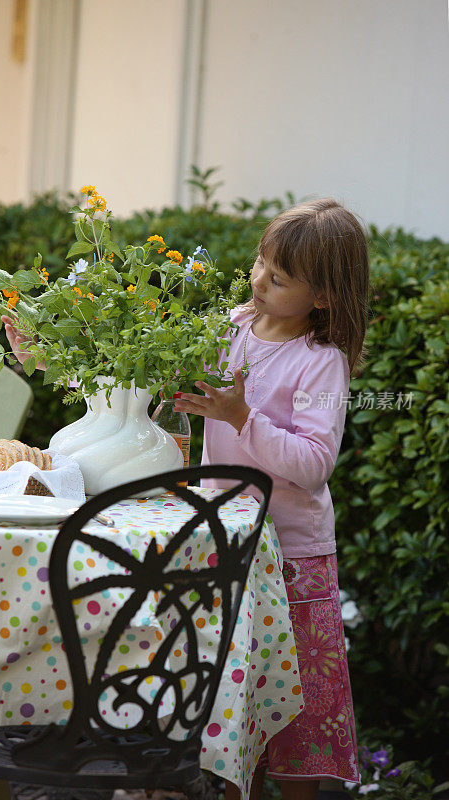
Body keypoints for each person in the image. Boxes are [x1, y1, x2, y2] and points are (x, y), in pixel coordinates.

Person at [173, 197, 370, 800]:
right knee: (238, 700)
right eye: (261, 262)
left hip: (288, 557)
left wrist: (242, 416)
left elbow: (313, 466)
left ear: (324, 297)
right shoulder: (231, 330)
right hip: (225, 542)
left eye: (278, 277)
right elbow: (154, 375)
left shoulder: (320, 365)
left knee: (293, 716)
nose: (259, 278)